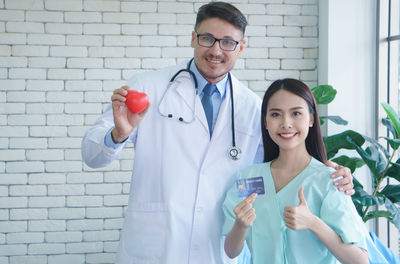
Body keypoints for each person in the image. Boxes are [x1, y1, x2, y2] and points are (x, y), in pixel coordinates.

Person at [81, 2, 354, 264]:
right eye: (207, 38)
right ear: (193, 38)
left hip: (217, 248)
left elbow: (271, 170)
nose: (216, 50)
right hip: (156, 246)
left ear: (241, 47)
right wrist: (118, 135)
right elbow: (92, 156)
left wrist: (328, 172)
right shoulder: (147, 87)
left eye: (228, 42)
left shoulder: (252, 107)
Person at [222, 79, 368, 264]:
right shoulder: (250, 178)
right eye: (275, 114)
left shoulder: (330, 180)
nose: (286, 123)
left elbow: (360, 260)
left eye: (296, 113)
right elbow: (231, 251)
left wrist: (313, 223)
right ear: (265, 122)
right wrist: (241, 225)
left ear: (311, 119)